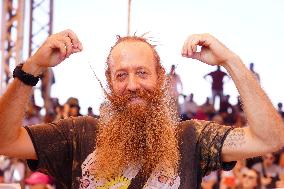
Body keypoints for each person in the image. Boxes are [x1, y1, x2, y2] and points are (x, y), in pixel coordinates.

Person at [0, 30, 283, 189]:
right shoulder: (76, 134)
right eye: (121, 75)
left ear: (161, 77)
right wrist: (32, 69)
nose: (133, 85)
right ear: (110, 81)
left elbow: (269, 138)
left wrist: (230, 61)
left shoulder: (191, 138)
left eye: (142, 73)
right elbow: (5, 140)